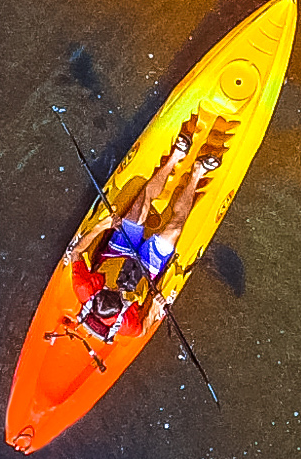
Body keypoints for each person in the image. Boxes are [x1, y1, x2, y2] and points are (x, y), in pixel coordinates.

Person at [71, 119, 225, 341]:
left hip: (118, 252)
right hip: (145, 272)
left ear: (98, 296)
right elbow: (142, 330)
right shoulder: (126, 326)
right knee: (175, 226)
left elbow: (76, 252)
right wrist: (154, 308)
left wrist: (101, 226)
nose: (115, 289)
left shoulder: (84, 290)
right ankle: (197, 173)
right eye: (118, 295)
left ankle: (175, 157)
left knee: (140, 205)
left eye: (109, 290)